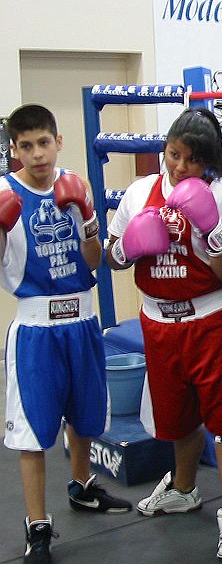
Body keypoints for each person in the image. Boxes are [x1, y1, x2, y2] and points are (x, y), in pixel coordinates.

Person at [106, 108, 222, 560]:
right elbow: (114, 258)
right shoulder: (139, 193)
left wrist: (210, 229)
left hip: (211, 318)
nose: (179, 167)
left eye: (192, 160)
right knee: (176, 418)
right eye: (174, 154)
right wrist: (130, 243)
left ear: (208, 162)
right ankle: (184, 488)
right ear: (165, 149)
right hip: (158, 321)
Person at [2, 104, 132, 564]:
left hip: (82, 320)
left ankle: (82, 487)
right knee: (34, 431)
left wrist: (89, 213)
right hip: (36, 328)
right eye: (26, 146)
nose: (37, 154)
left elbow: (94, 260)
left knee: (84, 415)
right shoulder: (3, 193)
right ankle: (37, 525)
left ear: (58, 141)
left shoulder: (73, 184)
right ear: (14, 150)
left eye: (44, 142)